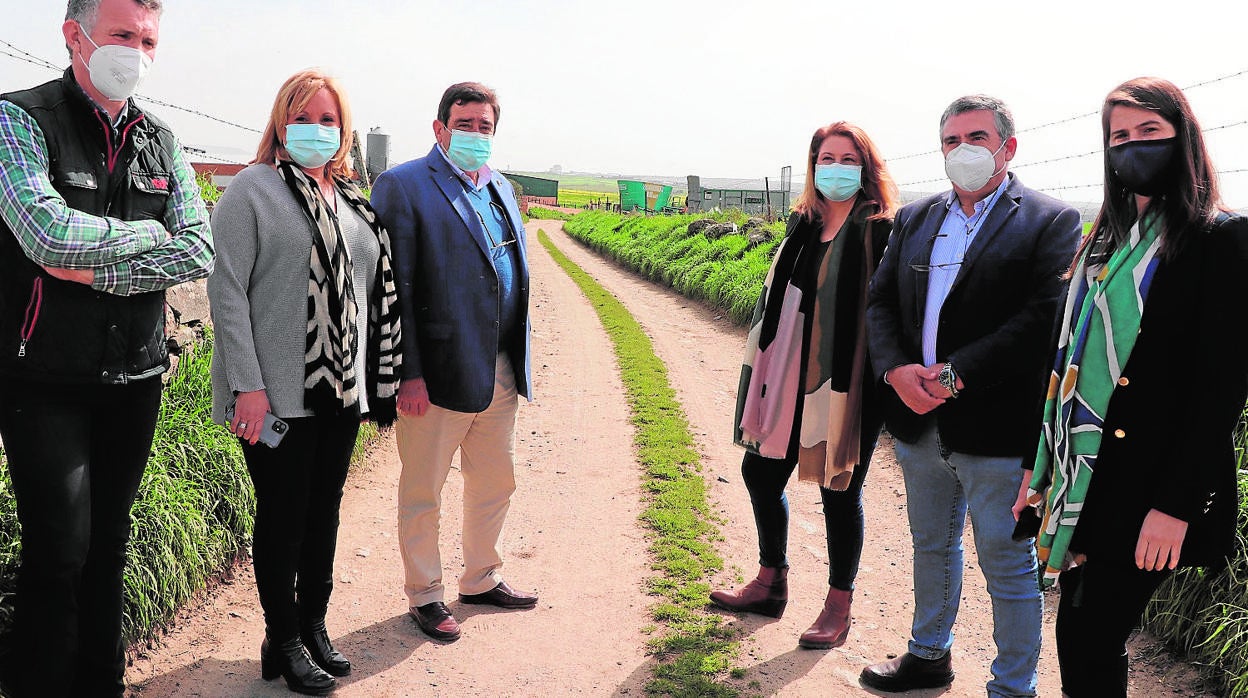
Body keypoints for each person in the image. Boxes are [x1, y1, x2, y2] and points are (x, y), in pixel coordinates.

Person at [0, 1, 215, 695]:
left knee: (109, 545)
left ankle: (102, 683)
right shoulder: (19, 119)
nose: (138, 50)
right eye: (123, 35)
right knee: (59, 548)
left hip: (135, 372)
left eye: (148, 39)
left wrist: (96, 264)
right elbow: (46, 235)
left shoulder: (163, 140)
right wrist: (151, 241)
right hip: (43, 376)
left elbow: (199, 246)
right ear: (75, 36)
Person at [1017, 77, 1248, 698]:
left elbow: (1220, 390)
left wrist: (1173, 508)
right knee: (1081, 634)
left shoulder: (1219, 238)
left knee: (1091, 634)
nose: (1132, 146)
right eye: (1120, 136)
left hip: (1151, 483)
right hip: (1086, 473)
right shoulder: (1108, 240)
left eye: (1149, 132)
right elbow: (1066, 363)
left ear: (1184, 139)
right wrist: (1040, 469)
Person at [863, 95, 1082, 696]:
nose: (963, 151)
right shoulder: (915, 217)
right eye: (951, 141)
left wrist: (957, 374)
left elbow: (1042, 318)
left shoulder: (1051, 220)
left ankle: (1013, 687)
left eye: (976, 138)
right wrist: (895, 373)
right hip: (918, 419)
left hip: (998, 426)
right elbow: (881, 303)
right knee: (931, 545)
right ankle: (928, 655)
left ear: (1008, 147)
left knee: (1007, 564)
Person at [207, 69, 402, 695]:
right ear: (280, 120)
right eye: (304, 116)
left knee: (324, 515)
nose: (316, 129)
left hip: (339, 391)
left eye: (328, 120)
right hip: (273, 396)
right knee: (284, 515)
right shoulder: (252, 192)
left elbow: (368, 296)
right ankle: (283, 638)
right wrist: (249, 385)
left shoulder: (348, 199)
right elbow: (227, 290)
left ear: (344, 131)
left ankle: (311, 626)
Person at [710, 121, 897, 650]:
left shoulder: (881, 228)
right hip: (788, 373)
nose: (835, 168)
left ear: (867, 167)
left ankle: (839, 606)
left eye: (847, 158)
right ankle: (772, 581)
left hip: (846, 382)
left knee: (840, 487)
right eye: (826, 158)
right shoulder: (803, 222)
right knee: (759, 472)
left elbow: (888, 311)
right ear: (813, 165)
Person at [371, 82, 535, 643]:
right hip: (434, 372)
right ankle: (425, 593)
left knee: (495, 479)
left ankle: (481, 578)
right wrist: (407, 373)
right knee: (424, 488)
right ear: (439, 128)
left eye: (484, 126)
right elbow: (396, 287)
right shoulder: (403, 185)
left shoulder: (503, 189)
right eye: (463, 124)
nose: (474, 134)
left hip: (498, 366)